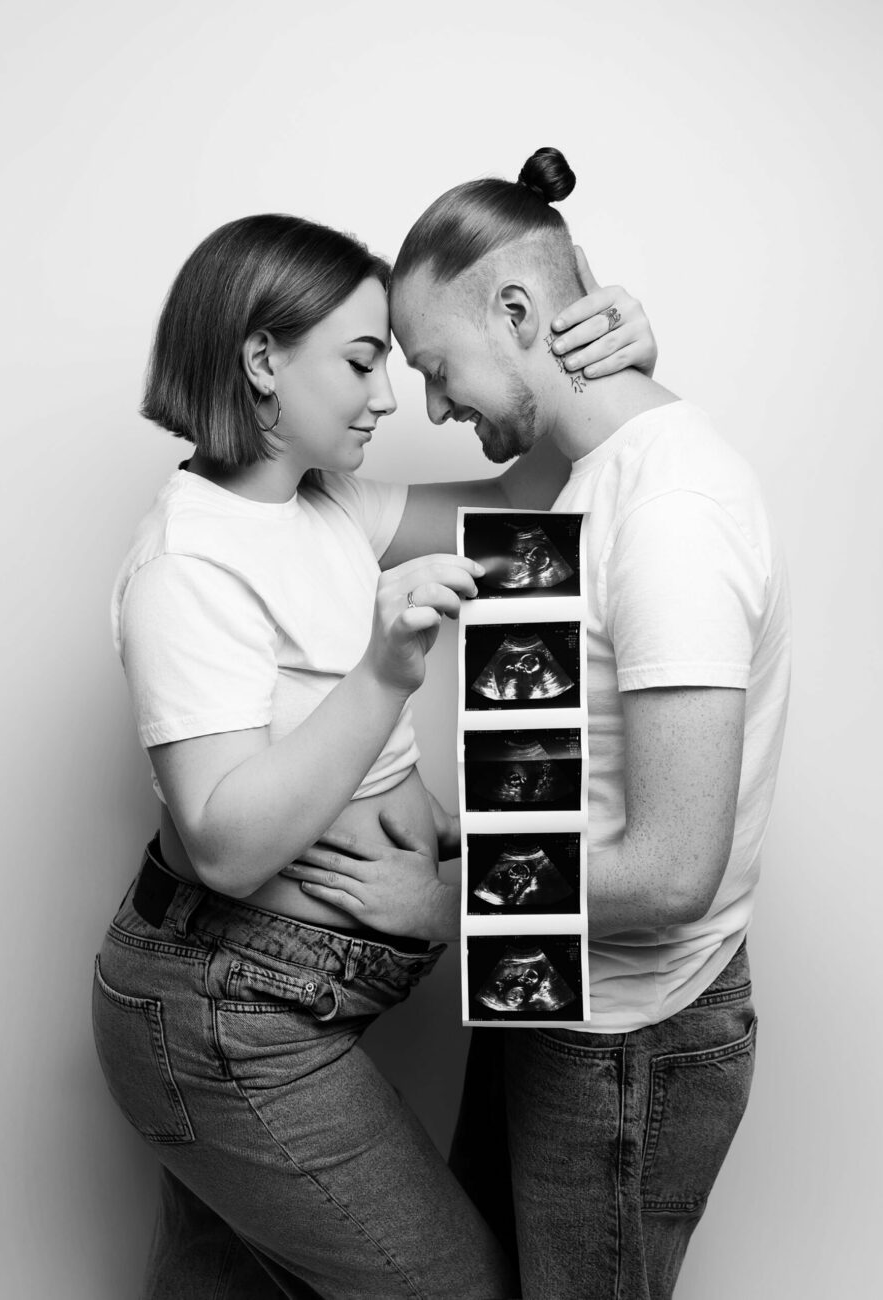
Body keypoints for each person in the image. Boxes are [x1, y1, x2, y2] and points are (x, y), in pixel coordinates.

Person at [92, 208, 658, 1299]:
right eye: (361, 363)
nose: (392, 396)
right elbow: (225, 845)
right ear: (262, 358)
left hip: (283, 1001)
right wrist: (384, 673)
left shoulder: (330, 506)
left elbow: (532, 507)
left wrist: (608, 357)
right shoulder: (188, 567)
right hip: (224, 1017)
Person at [311, 147, 791, 1299]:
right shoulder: (583, 482)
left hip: (627, 1040)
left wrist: (442, 901)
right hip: (551, 986)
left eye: (436, 366)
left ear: (518, 309)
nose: (430, 404)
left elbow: (676, 868)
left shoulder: (671, 508)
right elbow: (578, 765)